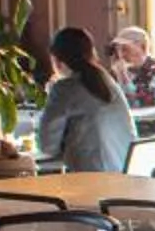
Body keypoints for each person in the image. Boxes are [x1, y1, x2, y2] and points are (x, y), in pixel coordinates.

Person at [35, 26, 134, 173]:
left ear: (56, 60)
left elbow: (46, 145)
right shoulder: (108, 82)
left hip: (89, 181)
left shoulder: (65, 89)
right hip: (124, 175)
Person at [108, 25, 155, 109]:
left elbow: (141, 105)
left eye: (126, 49)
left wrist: (124, 77)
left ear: (143, 47)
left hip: (152, 120)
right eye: (118, 50)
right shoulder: (125, 71)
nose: (121, 55)